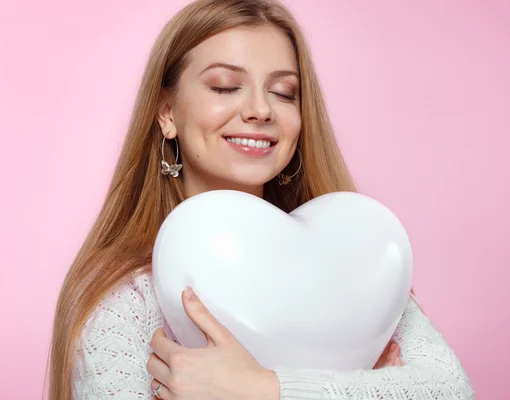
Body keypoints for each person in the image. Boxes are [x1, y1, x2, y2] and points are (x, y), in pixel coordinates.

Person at [47, 0, 475, 399]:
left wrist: (263, 389)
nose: (260, 109)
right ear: (168, 114)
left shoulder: (353, 267)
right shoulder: (126, 298)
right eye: (225, 86)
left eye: (284, 92)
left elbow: (450, 389)